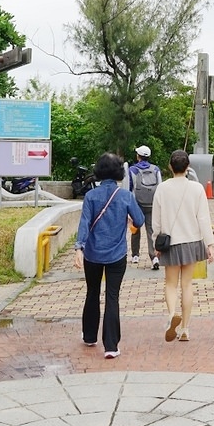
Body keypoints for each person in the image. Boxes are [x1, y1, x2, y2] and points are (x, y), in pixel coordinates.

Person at [73, 152, 145, 359]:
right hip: (117, 254)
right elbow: (139, 220)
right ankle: (111, 346)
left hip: (93, 255)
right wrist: (129, 221)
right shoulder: (125, 196)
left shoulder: (90, 196)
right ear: (119, 172)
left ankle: (89, 336)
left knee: (92, 292)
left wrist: (79, 248)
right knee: (112, 297)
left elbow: (84, 223)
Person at [152, 149, 214, 342]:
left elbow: (156, 220)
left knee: (170, 284)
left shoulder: (162, 188)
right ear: (188, 168)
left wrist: (156, 241)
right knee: (187, 285)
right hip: (192, 241)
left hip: (170, 242)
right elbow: (203, 218)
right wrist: (210, 244)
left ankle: (172, 316)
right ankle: (186, 329)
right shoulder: (197, 189)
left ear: (170, 166)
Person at [127, 144, 162, 269]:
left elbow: (129, 189)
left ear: (138, 156)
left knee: (135, 228)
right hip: (152, 204)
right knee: (151, 231)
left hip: (137, 204)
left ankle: (135, 255)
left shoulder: (132, 170)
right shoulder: (156, 169)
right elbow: (160, 187)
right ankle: (154, 257)